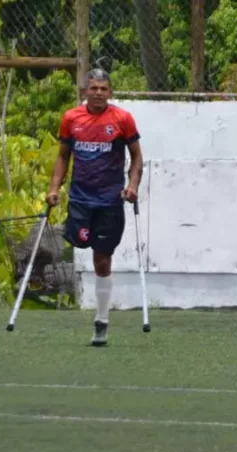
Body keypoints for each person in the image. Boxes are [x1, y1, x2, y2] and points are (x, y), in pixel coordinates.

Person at [47, 68, 143, 347]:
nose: (98, 92)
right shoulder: (71, 119)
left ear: (110, 92)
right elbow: (63, 156)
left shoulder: (122, 120)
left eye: (103, 88)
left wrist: (133, 185)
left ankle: (101, 322)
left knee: (102, 259)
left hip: (109, 201)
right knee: (79, 242)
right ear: (85, 91)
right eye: (94, 88)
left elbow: (137, 158)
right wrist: (54, 187)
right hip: (80, 199)